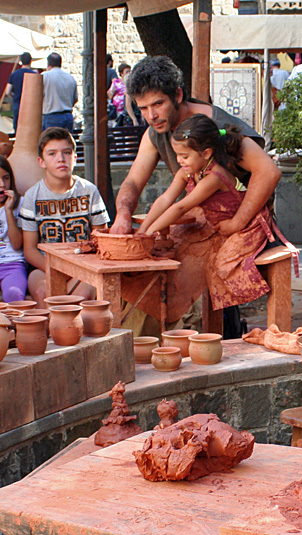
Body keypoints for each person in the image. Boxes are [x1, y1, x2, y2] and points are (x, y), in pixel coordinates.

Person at [107, 56, 283, 333]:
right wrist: (124, 214)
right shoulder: (156, 131)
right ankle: (143, 340)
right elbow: (133, 182)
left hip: (240, 221)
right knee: (147, 263)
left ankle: (186, 343)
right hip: (200, 216)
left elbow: (268, 172)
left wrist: (237, 222)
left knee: (178, 274)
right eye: (143, 108)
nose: (151, 115)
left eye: (158, 104)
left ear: (177, 95)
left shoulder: (215, 128)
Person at [139, 114, 280, 309]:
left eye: (185, 156)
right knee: (177, 250)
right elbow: (165, 199)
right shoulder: (187, 172)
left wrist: (149, 233)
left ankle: (234, 312)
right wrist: (142, 231)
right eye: (177, 154)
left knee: (221, 265)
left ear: (206, 153)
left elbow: (180, 207)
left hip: (247, 225)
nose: (179, 160)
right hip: (218, 224)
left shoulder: (214, 178)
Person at [19, 128, 110, 307]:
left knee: (81, 296)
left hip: (84, 266)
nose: (61, 159)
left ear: (75, 158)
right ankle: (46, 335)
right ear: (41, 161)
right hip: (44, 266)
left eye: (66, 153)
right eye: (52, 154)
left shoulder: (89, 191)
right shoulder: (32, 196)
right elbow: (29, 250)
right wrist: (58, 269)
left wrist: (76, 268)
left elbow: (101, 240)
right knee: (43, 292)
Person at [0, 156, 26, 302]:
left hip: (12, 263)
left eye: (6, 178)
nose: (2, 184)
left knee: (14, 293)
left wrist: (9, 211)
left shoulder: (20, 203)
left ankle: (16, 325)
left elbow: (17, 245)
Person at [41, 53, 77, 132]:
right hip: (68, 115)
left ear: (48, 64)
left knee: (51, 141)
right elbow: (74, 99)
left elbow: (36, 97)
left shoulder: (44, 76)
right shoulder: (70, 78)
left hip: (51, 115)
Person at [3, 52, 36, 134]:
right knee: (29, 128)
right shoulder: (34, 75)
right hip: (30, 105)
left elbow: (8, 91)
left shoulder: (14, 74)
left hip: (17, 103)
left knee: (17, 129)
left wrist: (13, 96)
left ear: (20, 61)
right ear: (30, 61)